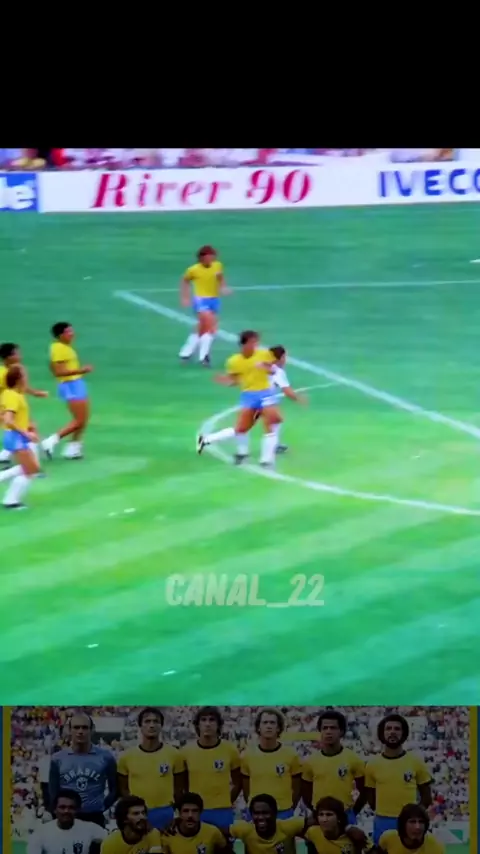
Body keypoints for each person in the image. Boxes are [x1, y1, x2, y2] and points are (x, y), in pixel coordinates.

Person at [197, 330, 281, 467]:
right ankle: (206, 440)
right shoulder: (234, 361)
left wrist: (265, 367)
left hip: (265, 393)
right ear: (244, 344)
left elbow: (274, 371)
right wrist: (224, 381)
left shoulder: (263, 354)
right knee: (241, 428)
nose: (256, 345)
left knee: (270, 423)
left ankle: (266, 460)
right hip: (248, 395)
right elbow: (235, 380)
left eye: (256, 342)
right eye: (253, 342)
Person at [365, 714, 433, 845]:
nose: (392, 732)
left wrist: (413, 816)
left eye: (397, 729)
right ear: (382, 733)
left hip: (407, 822)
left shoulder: (416, 761)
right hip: (382, 821)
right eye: (388, 728)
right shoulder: (372, 764)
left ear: (404, 733)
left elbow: (426, 797)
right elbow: (371, 799)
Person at [117, 707, 185, 830]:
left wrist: (176, 813)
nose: (152, 725)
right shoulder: (126, 757)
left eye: (156, 721)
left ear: (161, 726)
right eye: (147, 721)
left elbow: (179, 789)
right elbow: (123, 789)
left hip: (165, 812)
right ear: (140, 726)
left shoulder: (174, 754)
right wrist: (133, 809)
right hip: (139, 813)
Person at [238, 345, 306, 463]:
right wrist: (299, 399)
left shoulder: (260, 365)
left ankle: (248, 450)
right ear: (280, 358)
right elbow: (287, 391)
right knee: (253, 426)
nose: (286, 360)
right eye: (285, 357)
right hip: (263, 401)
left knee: (273, 421)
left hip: (251, 398)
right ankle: (265, 456)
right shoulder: (277, 372)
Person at [49, 712, 117, 827]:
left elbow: (115, 790)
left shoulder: (106, 757)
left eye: (85, 728)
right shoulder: (57, 758)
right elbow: (53, 792)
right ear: (69, 730)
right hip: (67, 816)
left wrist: (103, 806)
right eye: (76, 727)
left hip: (94, 816)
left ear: (92, 729)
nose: (80, 731)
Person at [178, 706, 241, 827]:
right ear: (197, 725)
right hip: (196, 811)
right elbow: (182, 786)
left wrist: (227, 801)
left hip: (222, 811)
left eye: (212, 720)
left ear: (218, 725)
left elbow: (238, 783)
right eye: (203, 720)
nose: (207, 724)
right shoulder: (186, 752)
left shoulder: (230, 750)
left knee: (224, 839)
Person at [301, 710, 366, 826]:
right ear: (320, 731)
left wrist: (352, 811)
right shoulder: (310, 761)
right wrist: (317, 811)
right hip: (320, 817)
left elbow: (364, 791)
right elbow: (305, 793)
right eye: (325, 728)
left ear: (341, 732)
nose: (328, 732)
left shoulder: (353, 759)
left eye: (333, 728)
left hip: (345, 815)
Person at [41, 322, 93, 460]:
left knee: (83, 418)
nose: (72, 334)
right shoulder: (59, 349)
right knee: (79, 420)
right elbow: (58, 372)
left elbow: (52, 367)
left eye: (72, 331)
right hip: (71, 385)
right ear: (60, 335)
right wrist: (82, 370)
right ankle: (51, 441)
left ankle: (73, 448)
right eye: (68, 332)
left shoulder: (63, 347)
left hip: (76, 383)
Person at [241, 708, 302, 819]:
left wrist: (289, 807)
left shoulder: (291, 754)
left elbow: (297, 788)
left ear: (278, 728)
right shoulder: (247, 755)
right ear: (258, 727)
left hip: (283, 811)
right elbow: (246, 788)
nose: (268, 726)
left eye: (272, 723)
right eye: (265, 722)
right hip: (256, 813)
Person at [179, 246, 231, 365]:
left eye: (213, 257)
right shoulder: (193, 270)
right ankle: (204, 356)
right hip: (201, 300)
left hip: (214, 300)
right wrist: (185, 297)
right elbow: (185, 281)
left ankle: (186, 353)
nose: (211, 259)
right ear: (202, 258)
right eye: (209, 257)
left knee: (202, 328)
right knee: (211, 326)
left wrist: (223, 287)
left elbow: (220, 277)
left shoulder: (217, 265)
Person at [0, 341, 48, 466]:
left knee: (27, 428)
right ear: (9, 357)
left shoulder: (17, 369)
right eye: (17, 354)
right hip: (8, 408)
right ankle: (31, 462)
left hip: (19, 406)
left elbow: (22, 386)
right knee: (23, 429)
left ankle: (26, 458)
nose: (20, 356)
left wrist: (35, 393)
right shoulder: (2, 373)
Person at [0, 365, 41, 508]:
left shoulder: (9, 394)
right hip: (16, 437)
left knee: (31, 468)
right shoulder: (13, 396)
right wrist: (26, 433)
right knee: (30, 469)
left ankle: (10, 497)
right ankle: (10, 500)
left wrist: (29, 425)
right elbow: (8, 420)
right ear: (19, 379)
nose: (27, 378)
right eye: (24, 375)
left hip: (15, 436)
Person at [26, 789, 108, 854]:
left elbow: (111, 839)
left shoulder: (89, 828)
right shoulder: (41, 833)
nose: (66, 811)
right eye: (62, 807)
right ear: (54, 809)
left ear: (77, 810)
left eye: (71, 808)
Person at [160, 792, 228, 854]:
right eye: (186, 811)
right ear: (179, 813)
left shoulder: (213, 832)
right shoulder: (168, 835)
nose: (190, 815)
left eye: (195, 811)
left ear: (201, 812)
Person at [377, 804, 445, 854]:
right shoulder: (388, 839)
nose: (417, 827)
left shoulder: (435, 846)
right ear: (403, 824)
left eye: (421, 822)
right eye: (412, 822)